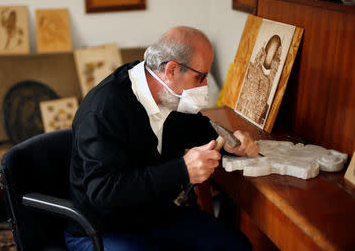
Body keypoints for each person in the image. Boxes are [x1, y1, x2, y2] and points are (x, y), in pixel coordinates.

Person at [65, 26, 259, 250]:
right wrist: (182, 169)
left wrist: (231, 142)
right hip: (103, 228)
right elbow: (104, 192)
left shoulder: (170, 96)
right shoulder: (104, 109)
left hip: (155, 217)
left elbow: (200, 130)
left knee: (235, 245)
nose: (205, 87)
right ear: (172, 70)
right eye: (200, 77)